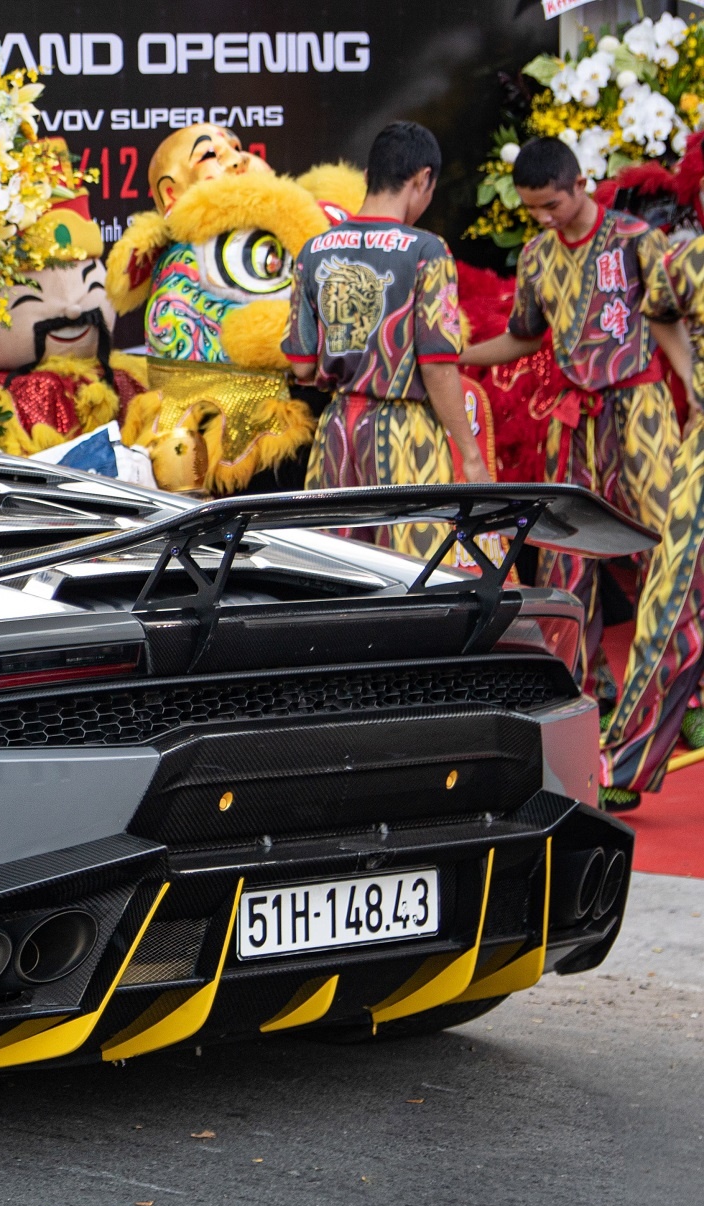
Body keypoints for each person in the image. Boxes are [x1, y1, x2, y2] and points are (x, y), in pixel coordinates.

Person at [462, 136, 698, 809]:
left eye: (551, 204)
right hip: (574, 418)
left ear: (580, 183)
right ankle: (578, 697)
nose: (540, 217)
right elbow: (528, 334)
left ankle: (687, 696)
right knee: (568, 559)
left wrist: (694, 403)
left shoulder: (635, 240)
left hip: (643, 409)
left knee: (666, 552)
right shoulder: (537, 253)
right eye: (531, 208)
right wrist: (457, 357)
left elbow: (670, 325)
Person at [283, 122, 485, 562]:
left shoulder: (314, 250)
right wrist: (470, 456)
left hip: (336, 432)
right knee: (416, 573)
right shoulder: (426, 250)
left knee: (333, 570)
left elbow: (300, 365)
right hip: (405, 434)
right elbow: (436, 363)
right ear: (422, 179)